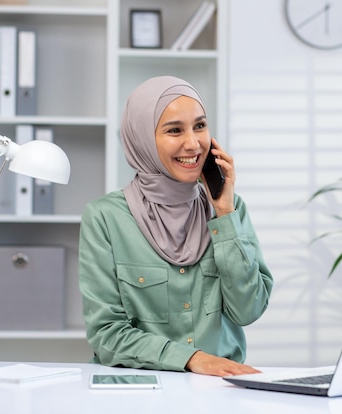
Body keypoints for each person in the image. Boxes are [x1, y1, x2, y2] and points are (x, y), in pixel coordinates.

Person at [78, 76, 274, 377]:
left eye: (200, 126)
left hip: (219, 392)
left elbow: (248, 311)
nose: (193, 143)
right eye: (174, 130)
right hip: (138, 391)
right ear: (142, 138)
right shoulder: (105, 218)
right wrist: (191, 358)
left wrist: (224, 214)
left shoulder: (230, 210)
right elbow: (107, 335)